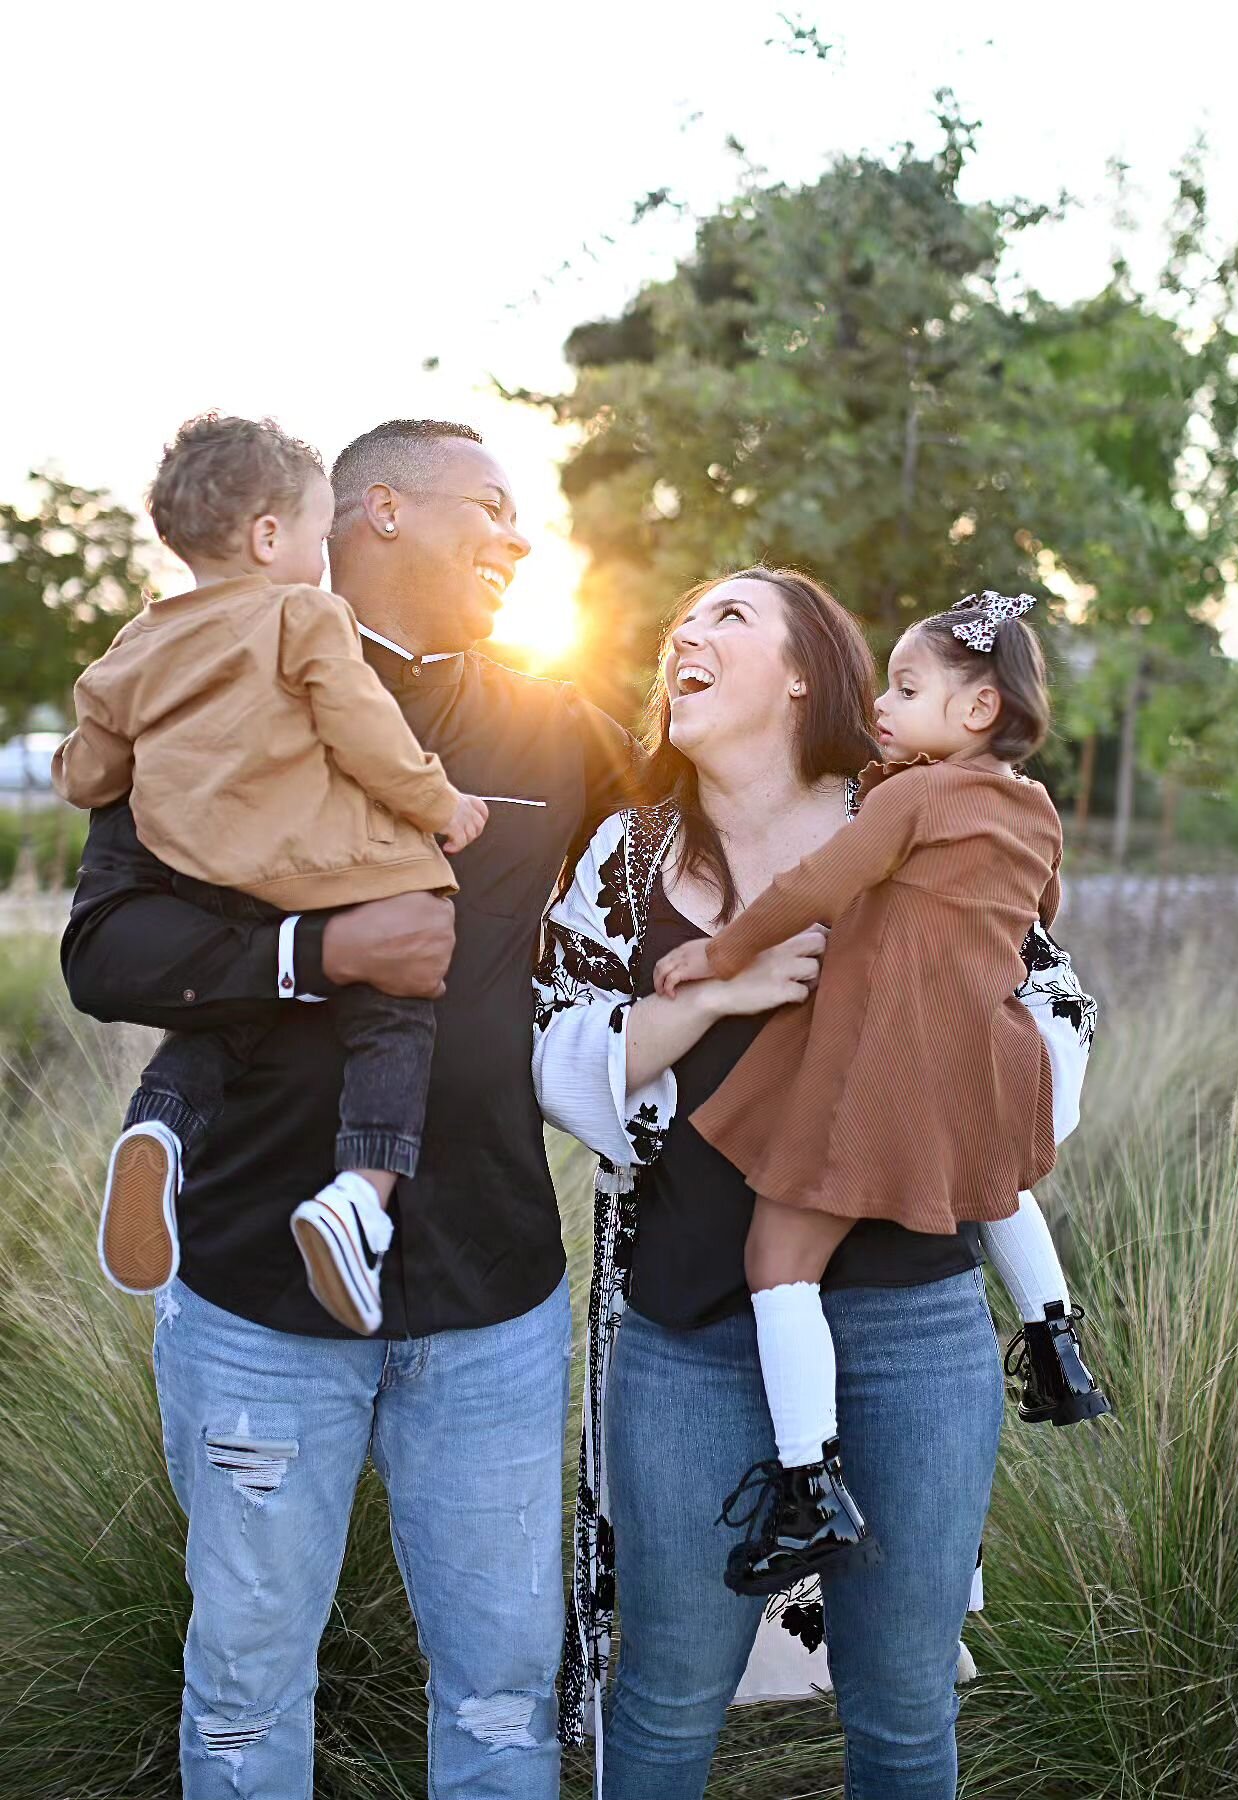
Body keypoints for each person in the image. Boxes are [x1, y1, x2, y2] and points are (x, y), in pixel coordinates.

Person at [61, 418, 635, 1799]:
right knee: (249, 1695)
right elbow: (103, 950)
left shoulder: (560, 725)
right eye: (491, 509)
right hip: (257, 1298)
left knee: (504, 1695)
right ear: (377, 509)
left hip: (494, 1302)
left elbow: (722, 823)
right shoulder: (211, 679)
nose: (519, 540)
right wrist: (314, 957)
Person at [532, 567, 1100, 1798]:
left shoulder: (915, 802)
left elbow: (1049, 995)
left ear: (804, 671)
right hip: (688, 1324)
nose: (688, 630)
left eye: (729, 615)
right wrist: (721, 994)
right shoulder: (627, 859)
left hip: (913, 1320)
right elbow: (555, 1050)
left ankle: (1052, 1335)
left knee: (901, 1711)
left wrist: (948, 1072)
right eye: (680, 619)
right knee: (668, 1695)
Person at [654, 589, 1111, 1597]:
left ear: (978, 711)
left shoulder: (912, 795)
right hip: (981, 1060)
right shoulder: (1034, 811)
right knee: (995, 1188)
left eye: (907, 690)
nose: (886, 709)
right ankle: (1053, 1343)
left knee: (778, 1259)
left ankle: (808, 1480)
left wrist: (722, 952)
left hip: (879, 1065)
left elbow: (817, 886)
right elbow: (1044, 911)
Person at [55, 414, 492, 1335]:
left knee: (230, 1015)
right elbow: (362, 728)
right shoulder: (304, 614)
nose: (322, 554)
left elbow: (89, 772)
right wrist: (437, 803)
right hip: (330, 868)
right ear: (266, 538)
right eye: (311, 529)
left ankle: (161, 1129)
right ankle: (359, 1196)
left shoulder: (132, 648)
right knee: (395, 1020)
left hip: (208, 882)